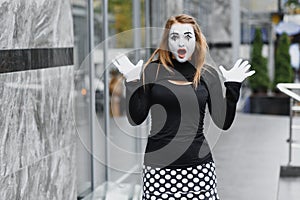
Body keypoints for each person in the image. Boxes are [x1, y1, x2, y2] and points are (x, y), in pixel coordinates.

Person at [113, 14, 254, 200]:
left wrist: (233, 87)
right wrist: (132, 81)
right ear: (167, 42)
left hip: (199, 171)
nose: (181, 43)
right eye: (174, 37)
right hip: (158, 173)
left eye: (188, 36)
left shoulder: (207, 74)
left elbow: (223, 122)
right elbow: (135, 118)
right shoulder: (152, 71)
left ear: (196, 40)